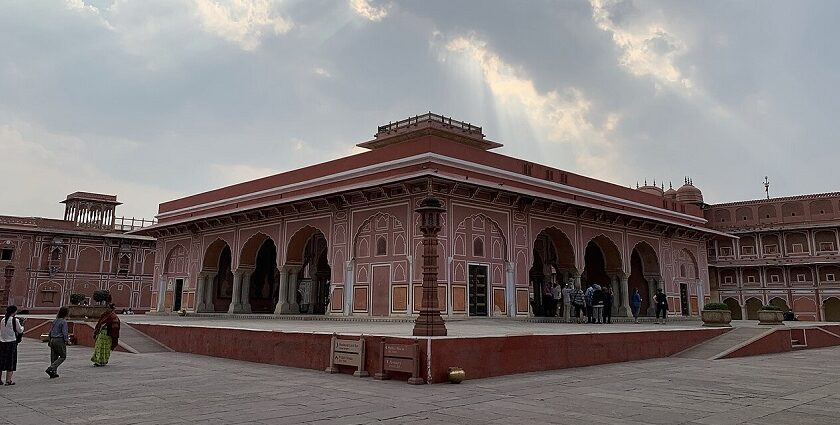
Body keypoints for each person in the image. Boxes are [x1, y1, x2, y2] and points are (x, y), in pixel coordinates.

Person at [0, 305, 24, 385]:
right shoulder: (15, 320)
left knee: (1, 361)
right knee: (11, 361)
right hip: (11, 343)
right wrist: (23, 325)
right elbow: (20, 331)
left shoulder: (3, 320)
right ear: (14, 312)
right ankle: (8, 380)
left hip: (2, 342)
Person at [46, 307, 71, 378]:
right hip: (59, 340)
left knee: (54, 357)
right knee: (63, 356)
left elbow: (50, 331)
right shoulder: (63, 322)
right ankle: (51, 368)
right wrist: (67, 341)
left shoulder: (55, 321)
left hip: (53, 339)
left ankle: (53, 372)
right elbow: (65, 333)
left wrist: (49, 340)